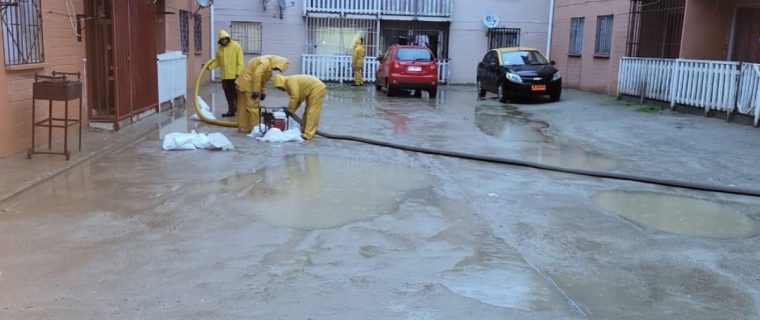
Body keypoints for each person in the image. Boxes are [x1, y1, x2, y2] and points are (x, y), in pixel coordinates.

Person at [234, 55, 290, 132]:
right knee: (253, 108)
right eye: (277, 68)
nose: (275, 69)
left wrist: (263, 91)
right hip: (249, 85)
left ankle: (244, 127)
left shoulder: (267, 66)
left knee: (243, 107)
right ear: (277, 62)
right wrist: (256, 91)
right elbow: (257, 75)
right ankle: (255, 129)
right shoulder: (265, 62)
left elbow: (262, 79)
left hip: (243, 84)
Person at [271, 74, 326, 140]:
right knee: (308, 110)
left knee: (312, 111)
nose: (280, 89)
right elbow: (298, 100)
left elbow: (295, 98)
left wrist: (290, 110)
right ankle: (304, 130)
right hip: (313, 88)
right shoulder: (288, 83)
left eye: (279, 87)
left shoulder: (289, 82)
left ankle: (308, 134)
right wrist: (290, 111)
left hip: (317, 88)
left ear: (280, 82)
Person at [207, 30, 244, 117]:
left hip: (234, 75)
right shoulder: (219, 49)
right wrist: (209, 67)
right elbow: (217, 62)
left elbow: (240, 61)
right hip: (224, 76)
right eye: (222, 39)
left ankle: (239, 111)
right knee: (228, 94)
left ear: (228, 38)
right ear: (220, 40)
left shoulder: (236, 46)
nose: (224, 41)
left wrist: (238, 73)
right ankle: (231, 111)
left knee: (236, 94)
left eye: (225, 39)